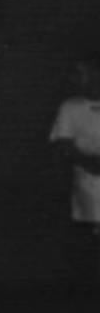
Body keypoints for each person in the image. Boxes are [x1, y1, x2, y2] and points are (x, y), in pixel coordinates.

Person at [48, 52, 100, 286]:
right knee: (90, 237)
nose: (74, 78)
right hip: (87, 182)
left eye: (80, 72)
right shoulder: (70, 107)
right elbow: (63, 144)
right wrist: (89, 162)